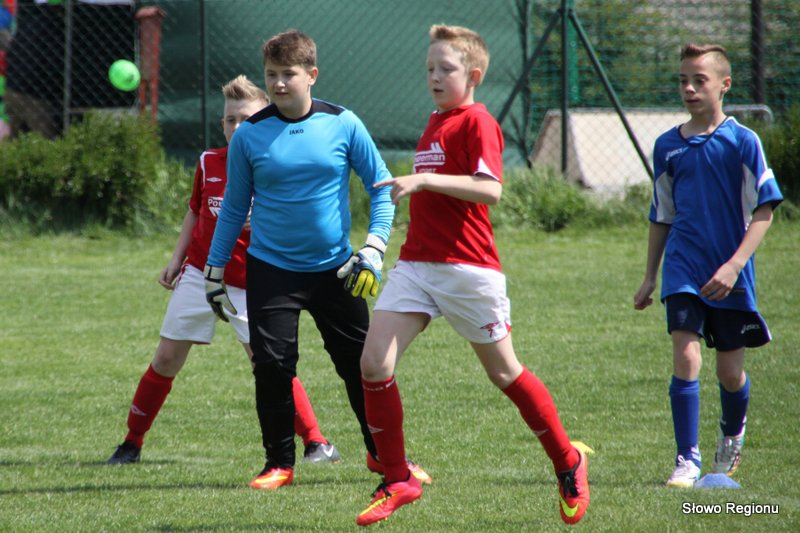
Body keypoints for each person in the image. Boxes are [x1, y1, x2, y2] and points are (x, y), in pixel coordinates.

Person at [355, 24, 590, 527]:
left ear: (475, 75)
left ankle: (568, 461)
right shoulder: (435, 120)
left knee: (505, 373)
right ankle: (397, 478)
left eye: (447, 68)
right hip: (417, 265)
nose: (435, 77)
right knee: (374, 363)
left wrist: (424, 178)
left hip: (468, 268)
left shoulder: (478, 121)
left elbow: (490, 190)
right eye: (430, 68)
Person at [204, 30, 430, 491]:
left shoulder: (343, 123)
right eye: (271, 74)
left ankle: (386, 457)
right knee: (272, 366)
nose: (278, 83)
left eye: (288, 74)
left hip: (337, 269)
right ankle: (278, 464)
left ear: (312, 74)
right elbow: (233, 207)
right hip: (271, 270)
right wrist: (214, 270)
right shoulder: (250, 134)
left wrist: (374, 247)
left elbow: (381, 188)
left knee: (362, 367)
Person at [107, 75, 340, 467]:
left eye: (246, 119)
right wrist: (177, 259)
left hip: (252, 282)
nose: (237, 126)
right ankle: (131, 443)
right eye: (230, 120)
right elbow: (195, 211)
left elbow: (302, 217)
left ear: (264, 120)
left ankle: (316, 442)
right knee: (166, 358)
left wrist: (265, 221)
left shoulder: (278, 164)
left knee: (269, 365)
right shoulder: (208, 161)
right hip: (201, 272)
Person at [633, 43, 783, 488]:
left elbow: (765, 210)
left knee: (729, 374)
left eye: (699, 80)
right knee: (686, 355)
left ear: (725, 84)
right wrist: (650, 275)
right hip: (683, 266)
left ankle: (732, 433)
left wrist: (735, 264)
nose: (689, 88)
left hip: (729, 271)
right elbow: (662, 214)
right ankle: (687, 458)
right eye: (683, 80)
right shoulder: (666, 146)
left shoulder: (742, 141)